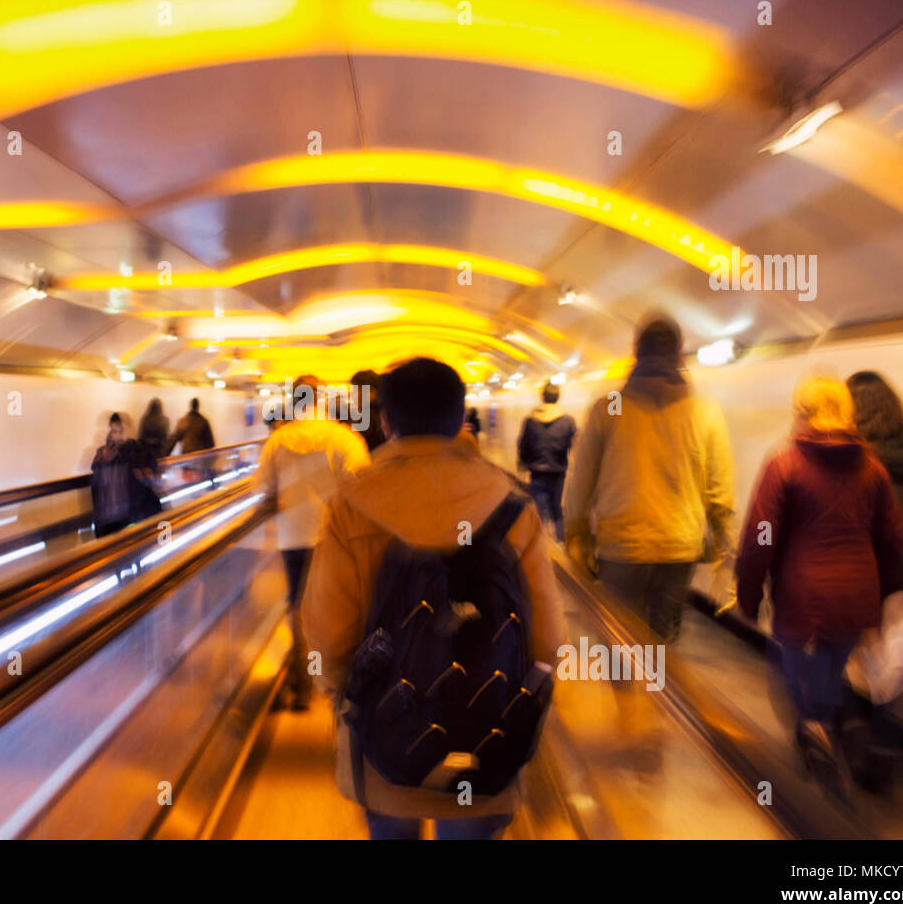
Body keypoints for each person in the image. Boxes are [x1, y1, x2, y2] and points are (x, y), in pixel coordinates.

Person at [302, 358, 566, 840]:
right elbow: (549, 638)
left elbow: (327, 635)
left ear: (385, 421)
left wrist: (343, 696)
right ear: (461, 417)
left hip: (383, 744)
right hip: (487, 746)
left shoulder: (349, 506)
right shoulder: (513, 505)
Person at [736, 376, 903, 794]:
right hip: (855, 602)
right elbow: (894, 540)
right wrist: (889, 599)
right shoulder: (872, 468)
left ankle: (819, 753)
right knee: (829, 670)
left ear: (802, 413)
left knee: (795, 674)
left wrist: (749, 592)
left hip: (803, 601)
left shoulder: (785, 463)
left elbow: (762, 533)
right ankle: (828, 732)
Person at [562, 313, 735, 641]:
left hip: (622, 545)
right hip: (679, 548)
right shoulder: (704, 411)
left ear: (636, 353)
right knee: (662, 644)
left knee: (620, 639)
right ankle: (656, 688)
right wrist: (722, 542)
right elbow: (720, 489)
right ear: (679, 355)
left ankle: (628, 691)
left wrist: (576, 533)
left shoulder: (611, 407)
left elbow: (581, 480)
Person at [254, 375, 370, 710]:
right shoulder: (343, 438)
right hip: (334, 537)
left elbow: (262, 487)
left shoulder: (278, 441)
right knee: (336, 605)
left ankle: (302, 682)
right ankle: (333, 680)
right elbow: (361, 484)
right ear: (322, 398)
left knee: (298, 605)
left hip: (293, 536)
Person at [844, 370, 903, 791]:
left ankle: (845, 736)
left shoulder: (856, 464)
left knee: (841, 654)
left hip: (860, 573)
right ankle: (882, 757)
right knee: (895, 670)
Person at [518, 382, 577, 541]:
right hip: (558, 474)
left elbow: (523, 445)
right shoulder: (567, 421)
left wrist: (523, 463)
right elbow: (575, 445)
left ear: (542, 397)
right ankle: (560, 542)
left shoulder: (531, 420)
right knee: (557, 509)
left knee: (538, 511)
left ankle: (541, 545)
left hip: (536, 473)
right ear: (558, 397)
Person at [90, 413, 162, 537]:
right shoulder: (104, 453)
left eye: (120, 430)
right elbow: (96, 471)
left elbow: (154, 477)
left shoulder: (140, 451)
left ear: (129, 430)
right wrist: (104, 458)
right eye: (114, 431)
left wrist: (146, 475)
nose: (118, 435)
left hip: (133, 518)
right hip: (112, 521)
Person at [350, 369, 387, 452]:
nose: (352, 395)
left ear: (370, 391)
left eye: (355, 390)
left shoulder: (367, 416)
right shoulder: (387, 412)